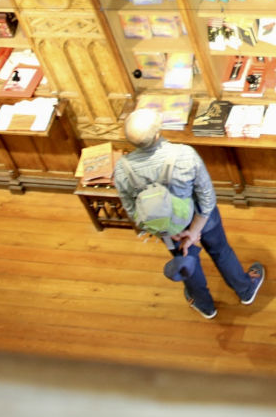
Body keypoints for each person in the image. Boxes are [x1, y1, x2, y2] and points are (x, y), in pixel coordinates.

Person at [113, 109, 265, 320]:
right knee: (221, 251)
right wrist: (194, 230)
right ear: (158, 134)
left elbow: (133, 211)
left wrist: (166, 233)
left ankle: (204, 305)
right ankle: (245, 289)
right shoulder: (184, 155)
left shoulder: (122, 168)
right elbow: (207, 197)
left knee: (184, 262)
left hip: (168, 229)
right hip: (201, 219)